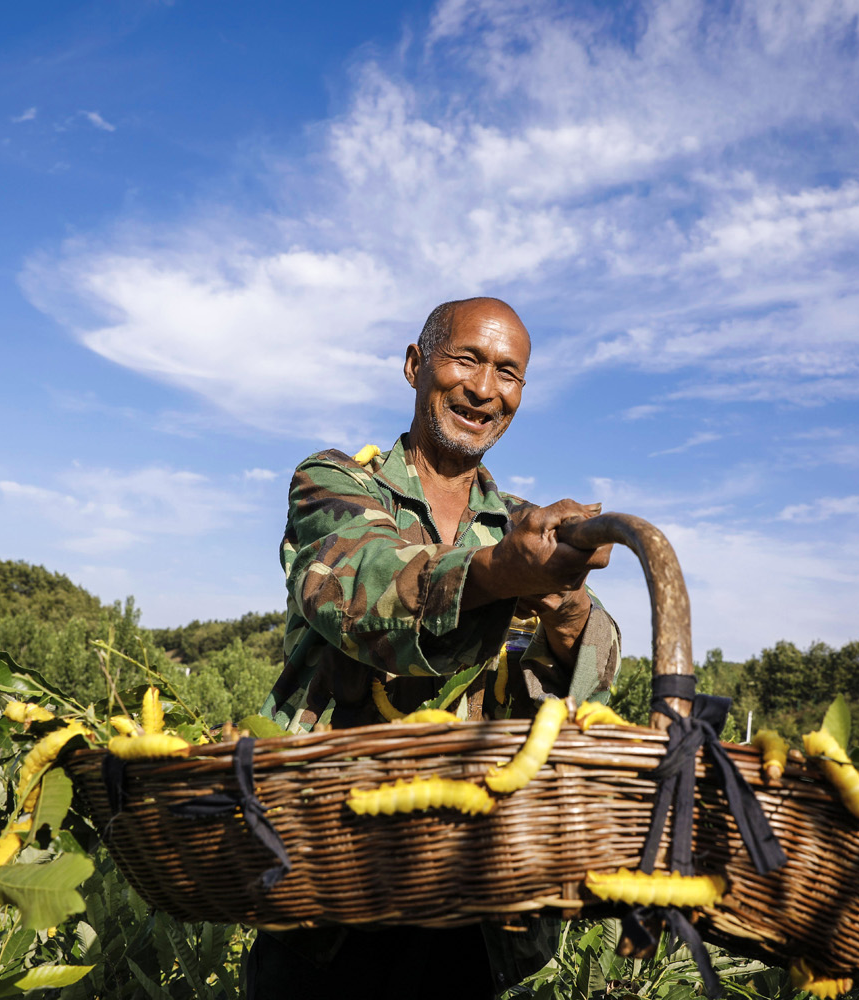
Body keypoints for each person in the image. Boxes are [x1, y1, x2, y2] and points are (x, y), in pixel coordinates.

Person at [247, 297, 623, 999]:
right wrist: (499, 574)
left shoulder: (519, 523)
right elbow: (366, 594)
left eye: (508, 373)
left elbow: (591, 675)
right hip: (327, 875)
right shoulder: (336, 483)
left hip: (470, 890)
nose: (485, 389)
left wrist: (565, 607)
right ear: (417, 366)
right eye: (468, 359)